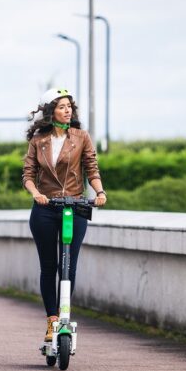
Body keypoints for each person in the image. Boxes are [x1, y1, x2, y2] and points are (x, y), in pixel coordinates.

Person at [22, 87, 107, 343]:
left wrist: (100, 192)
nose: (68, 110)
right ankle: (52, 320)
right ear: (51, 112)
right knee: (49, 266)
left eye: (70, 106)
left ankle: (65, 316)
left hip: (75, 206)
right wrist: (36, 193)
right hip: (46, 209)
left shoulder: (81, 137)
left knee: (69, 265)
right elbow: (28, 175)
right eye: (62, 106)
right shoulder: (38, 140)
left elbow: (91, 167)